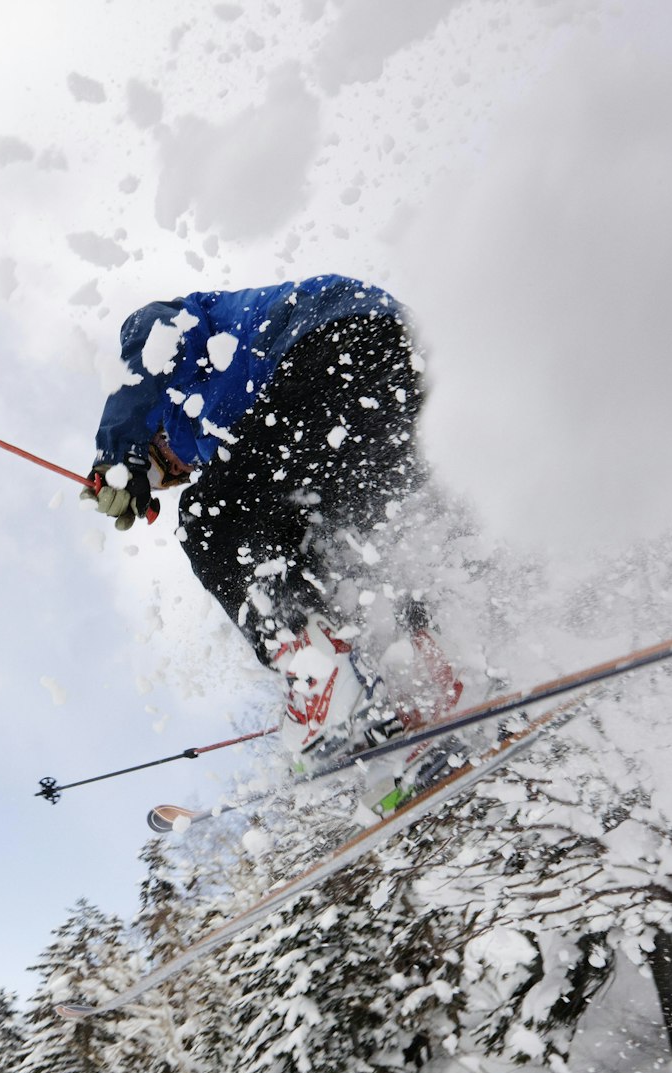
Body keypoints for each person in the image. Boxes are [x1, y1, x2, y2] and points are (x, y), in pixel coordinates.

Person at [84, 275, 462, 755]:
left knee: (209, 519)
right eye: (167, 480)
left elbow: (148, 350)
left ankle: (321, 678)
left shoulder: (165, 342)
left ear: (153, 428)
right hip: (405, 372)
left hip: (337, 340)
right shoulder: (222, 430)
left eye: (159, 464)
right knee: (337, 543)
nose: (175, 475)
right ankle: (417, 662)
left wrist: (118, 454)